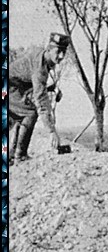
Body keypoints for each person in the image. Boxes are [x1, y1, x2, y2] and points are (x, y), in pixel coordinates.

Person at [7, 33, 70, 164]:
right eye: (58, 52)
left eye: (64, 52)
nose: (61, 56)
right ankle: (20, 155)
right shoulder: (40, 68)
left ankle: (13, 153)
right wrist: (52, 131)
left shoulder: (42, 58)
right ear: (48, 49)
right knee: (30, 112)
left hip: (15, 86)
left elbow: (33, 85)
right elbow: (40, 99)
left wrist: (51, 89)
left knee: (23, 112)